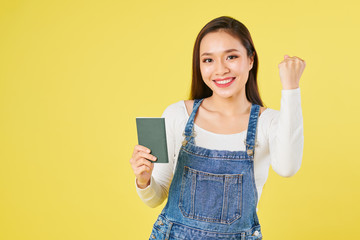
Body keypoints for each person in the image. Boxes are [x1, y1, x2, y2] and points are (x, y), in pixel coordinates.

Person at [129, 16, 305, 240]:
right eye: (208, 60)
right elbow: (156, 197)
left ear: (250, 60)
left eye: (231, 56)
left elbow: (288, 168)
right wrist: (143, 180)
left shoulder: (268, 122)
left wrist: (291, 88)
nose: (220, 69)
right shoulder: (176, 115)